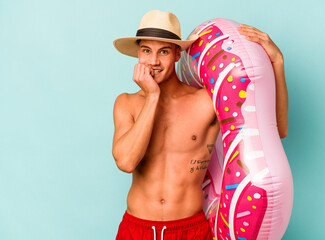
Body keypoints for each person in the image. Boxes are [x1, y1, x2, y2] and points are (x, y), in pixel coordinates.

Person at [112, 10, 288, 240]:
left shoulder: (206, 101)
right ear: (138, 53)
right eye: (146, 51)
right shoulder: (126, 103)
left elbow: (278, 129)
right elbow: (126, 161)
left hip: (189, 230)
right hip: (137, 229)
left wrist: (278, 62)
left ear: (177, 54)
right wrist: (152, 97)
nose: (153, 61)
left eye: (163, 51)